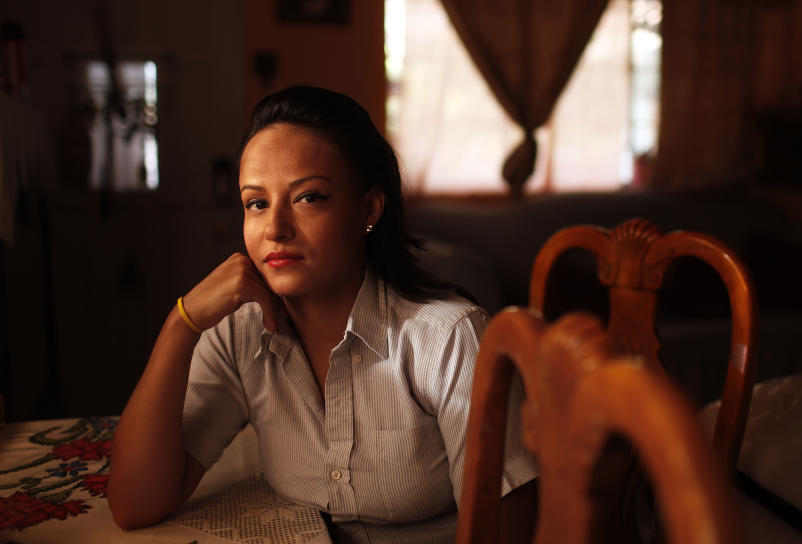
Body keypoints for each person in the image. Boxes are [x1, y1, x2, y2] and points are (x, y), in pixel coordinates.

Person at [107, 87, 538, 543]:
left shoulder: (447, 337)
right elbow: (136, 504)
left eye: (308, 197)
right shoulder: (238, 334)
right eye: (256, 203)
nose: (275, 229)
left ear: (368, 208)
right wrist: (183, 323)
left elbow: (504, 531)